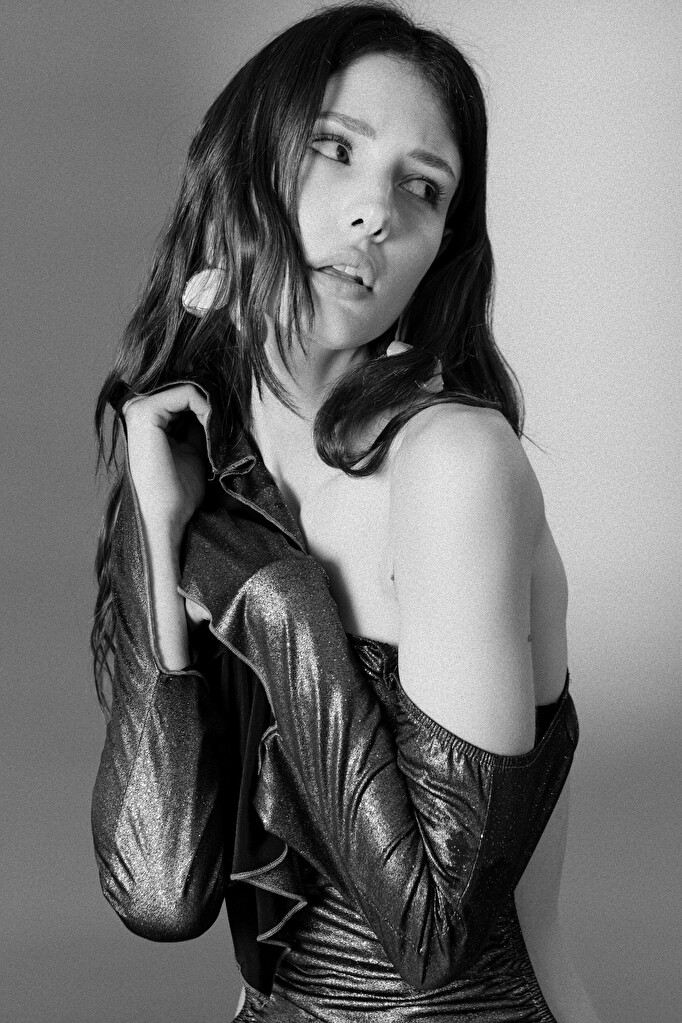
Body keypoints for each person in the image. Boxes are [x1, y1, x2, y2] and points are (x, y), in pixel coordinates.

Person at [91, 4, 601, 1021]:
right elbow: (158, 888)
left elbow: (433, 935)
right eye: (335, 149)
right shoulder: (202, 461)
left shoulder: (449, 466)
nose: (375, 213)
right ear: (244, 167)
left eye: (423, 187)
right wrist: (162, 532)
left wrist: (273, 598)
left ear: (438, 252)